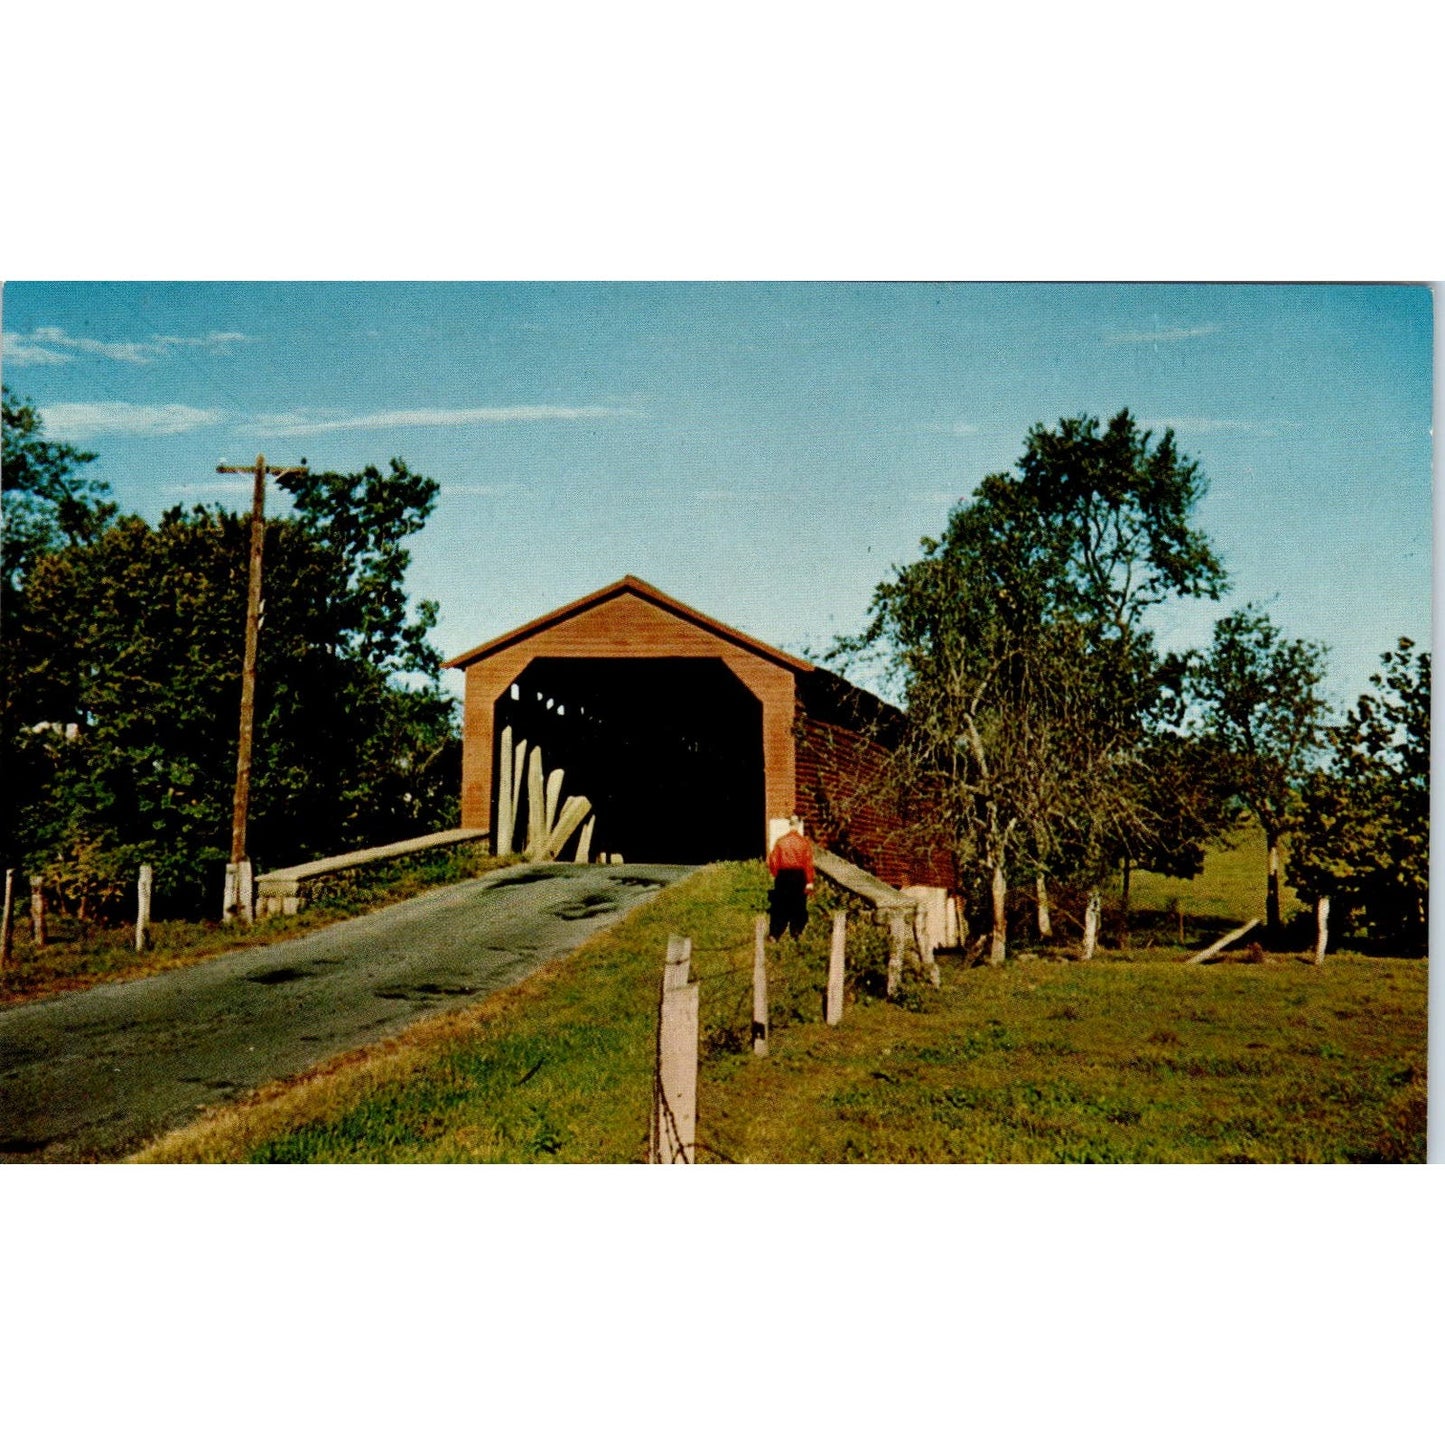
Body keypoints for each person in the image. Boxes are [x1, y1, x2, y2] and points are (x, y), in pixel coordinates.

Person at [767, 815, 814, 939]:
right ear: (798, 825)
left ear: (790, 824)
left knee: (780, 905)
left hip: (783, 874)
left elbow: (773, 860)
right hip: (799, 875)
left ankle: (775, 934)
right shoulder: (804, 843)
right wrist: (809, 881)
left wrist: (776, 874)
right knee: (799, 904)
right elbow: (808, 863)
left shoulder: (780, 841)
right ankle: (796, 931)